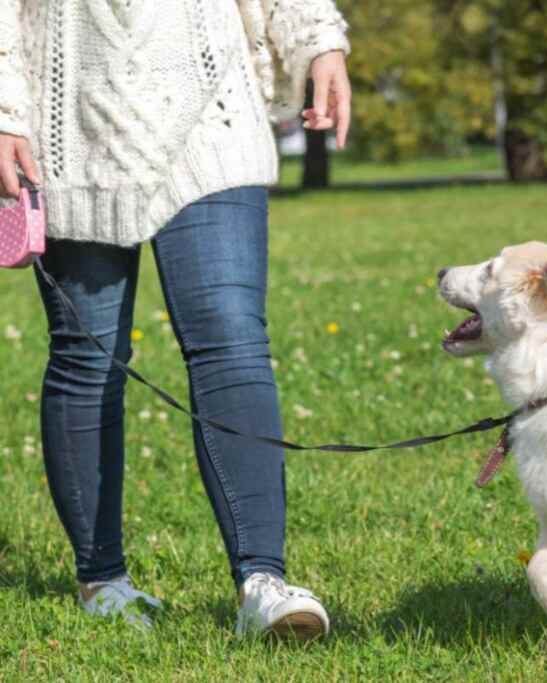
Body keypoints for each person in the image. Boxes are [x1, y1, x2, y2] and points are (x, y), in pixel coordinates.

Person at [0, 0, 352, 639]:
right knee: (88, 353)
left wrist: (319, 42)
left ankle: (262, 583)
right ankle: (102, 580)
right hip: (69, 118)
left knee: (232, 335)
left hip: (213, 114)